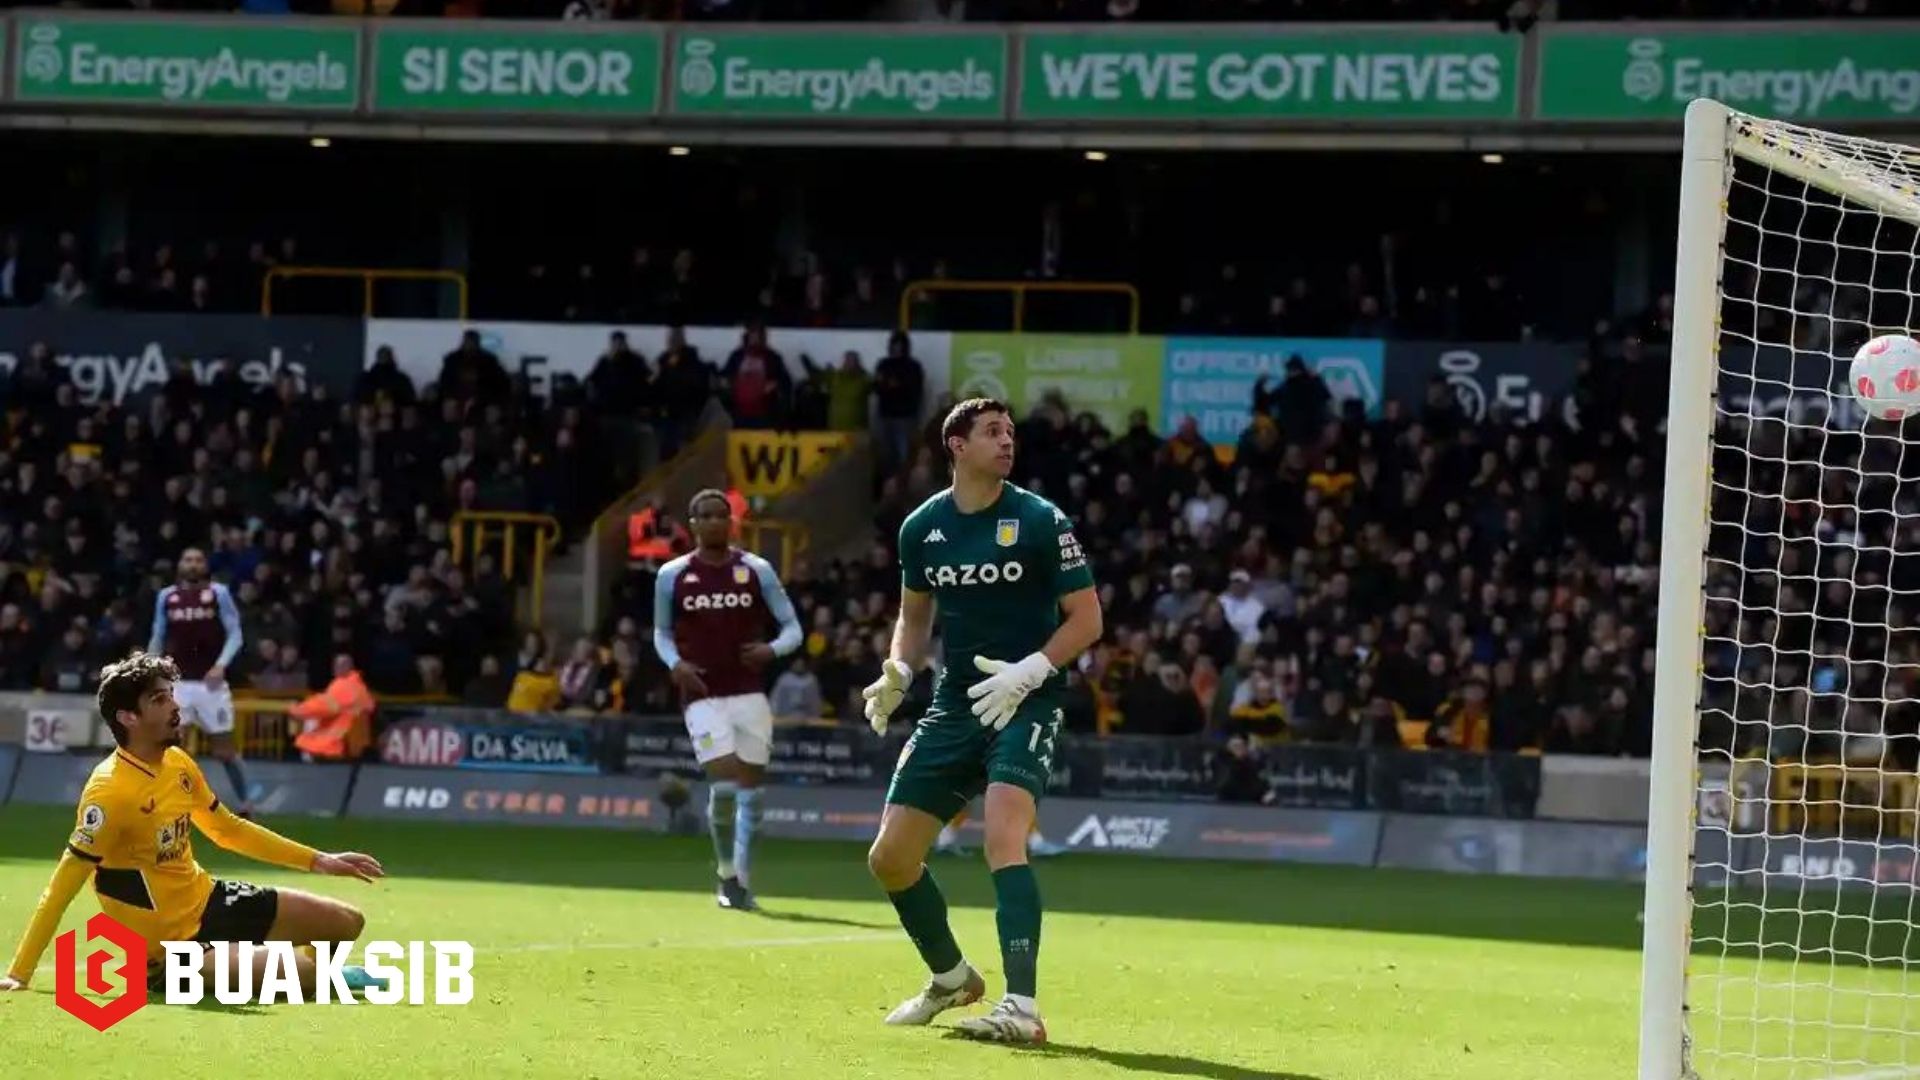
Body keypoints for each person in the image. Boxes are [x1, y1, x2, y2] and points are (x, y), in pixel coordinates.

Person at [861, 397, 1103, 1045]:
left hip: (1027, 701)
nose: (1007, 441)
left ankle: (1020, 1007)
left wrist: (1031, 670)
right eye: (993, 431)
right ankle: (951, 979)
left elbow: (1088, 619)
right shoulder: (921, 528)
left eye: (1010, 432)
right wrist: (898, 671)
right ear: (957, 446)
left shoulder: (1041, 519)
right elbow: (914, 618)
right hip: (955, 706)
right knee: (890, 858)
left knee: (1003, 836)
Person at [0, 653, 386, 998]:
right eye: (159, 699)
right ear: (128, 717)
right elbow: (62, 886)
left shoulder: (178, 763)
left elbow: (227, 830)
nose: (175, 706)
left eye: (171, 695)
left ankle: (283, 970)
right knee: (309, 972)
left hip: (210, 900)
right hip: (170, 952)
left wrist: (318, 860)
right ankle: (290, 974)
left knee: (347, 924)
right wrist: (20, 972)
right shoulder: (109, 792)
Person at [652, 489, 803, 913]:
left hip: (750, 694)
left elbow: (793, 628)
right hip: (702, 695)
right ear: (693, 524)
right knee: (723, 785)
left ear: (731, 522)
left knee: (751, 795)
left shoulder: (756, 570)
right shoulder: (672, 575)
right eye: (706, 516)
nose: (715, 522)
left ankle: (741, 881)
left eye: (721, 515)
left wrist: (772, 650)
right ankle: (725, 872)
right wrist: (675, 663)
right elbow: (661, 632)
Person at [149, 547, 254, 817]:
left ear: (205, 565)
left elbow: (235, 634)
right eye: (188, 560)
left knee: (224, 751)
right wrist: (150, 668)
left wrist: (221, 665)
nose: (193, 564)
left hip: (211, 686)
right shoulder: (167, 597)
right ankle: (175, 802)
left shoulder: (218, 594)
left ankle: (246, 803)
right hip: (178, 684)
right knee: (173, 747)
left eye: (198, 560)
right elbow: (158, 635)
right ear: (180, 565)